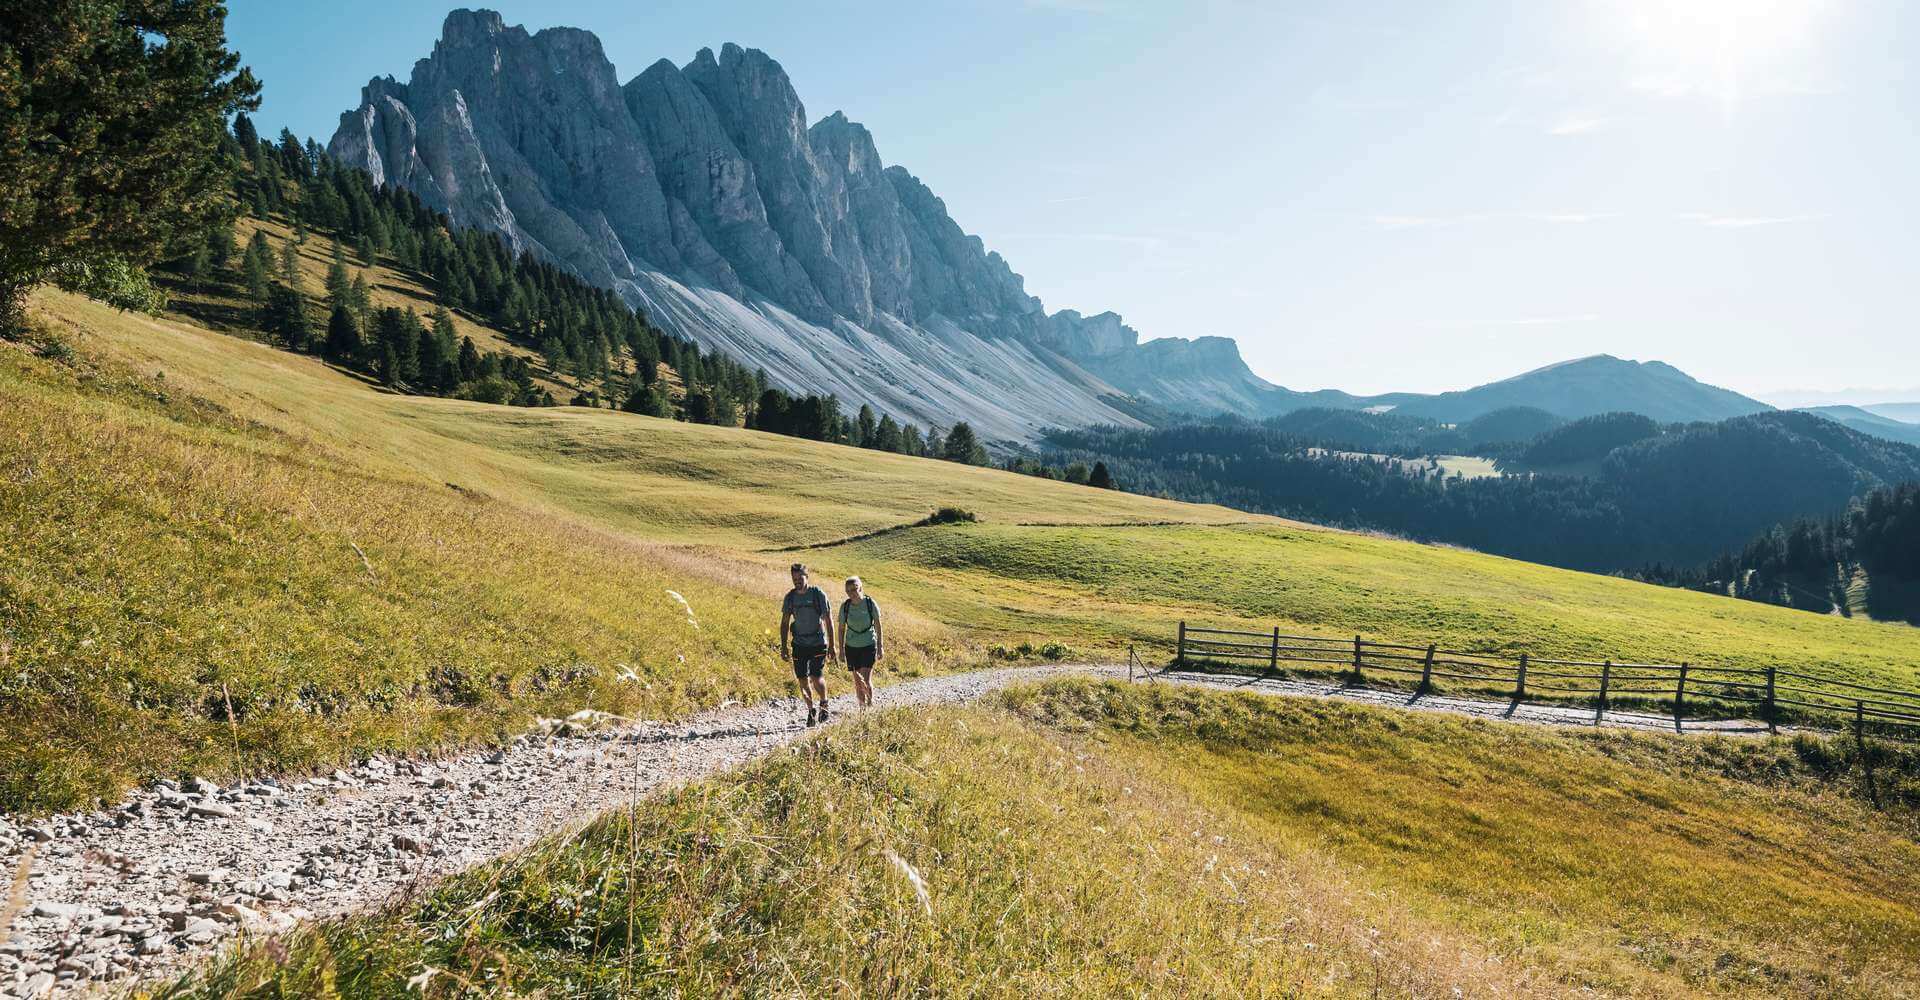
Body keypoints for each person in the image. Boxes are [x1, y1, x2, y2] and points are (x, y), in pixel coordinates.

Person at [780, 562, 836, 726]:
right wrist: (784, 646)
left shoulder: (817, 594)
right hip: (799, 643)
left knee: (815, 675)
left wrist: (832, 645)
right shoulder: (790, 597)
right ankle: (811, 710)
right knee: (802, 679)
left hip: (818, 642)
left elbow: (828, 620)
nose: (797, 581)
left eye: (800, 578)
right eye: (794, 578)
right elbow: (784, 623)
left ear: (807, 577)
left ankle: (824, 702)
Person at [837, 576, 883, 709]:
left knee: (866, 679)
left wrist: (880, 647)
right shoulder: (845, 607)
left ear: (860, 588)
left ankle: (869, 704)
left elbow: (878, 625)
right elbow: (841, 629)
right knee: (857, 681)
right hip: (851, 647)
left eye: (855, 589)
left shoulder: (870, 603)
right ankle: (862, 709)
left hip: (868, 645)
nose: (852, 593)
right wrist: (841, 651)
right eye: (849, 590)